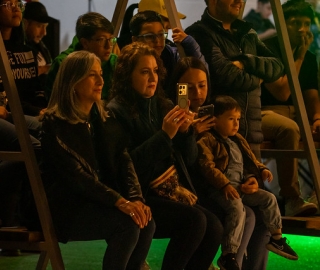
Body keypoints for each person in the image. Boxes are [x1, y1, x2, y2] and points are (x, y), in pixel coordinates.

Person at [107, 42, 222, 270]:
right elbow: (126, 166)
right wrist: (165, 135)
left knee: (214, 226)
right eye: (144, 71)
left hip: (168, 191)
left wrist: (186, 132)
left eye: (155, 71)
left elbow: (188, 160)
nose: (152, 77)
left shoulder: (162, 104)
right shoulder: (116, 110)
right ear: (127, 75)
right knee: (195, 221)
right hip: (139, 193)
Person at [40, 50, 155, 269]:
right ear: (73, 81)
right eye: (93, 75)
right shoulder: (55, 124)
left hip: (99, 200)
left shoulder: (103, 118)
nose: (101, 81)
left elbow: (124, 161)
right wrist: (120, 201)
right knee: (127, 225)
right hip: (68, 207)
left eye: (101, 74)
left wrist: (135, 198)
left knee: (145, 222)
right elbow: (76, 177)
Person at [169, 57, 272, 269]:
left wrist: (250, 178)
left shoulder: (215, 113)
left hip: (224, 185)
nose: (197, 93)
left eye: (202, 85)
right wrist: (188, 135)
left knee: (263, 212)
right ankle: (230, 262)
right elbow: (186, 164)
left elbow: (234, 154)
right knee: (248, 214)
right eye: (188, 87)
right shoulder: (171, 115)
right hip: (194, 188)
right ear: (178, 88)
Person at [196, 95, 299, 269]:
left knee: (269, 199)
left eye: (237, 119)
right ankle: (229, 254)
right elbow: (207, 166)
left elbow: (250, 160)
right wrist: (224, 184)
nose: (236, 124)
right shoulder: (207, 139)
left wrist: (260, 171)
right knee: (237, 209)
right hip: (220, 190)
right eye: (230, 119)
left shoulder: (237, 140)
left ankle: (277, 239)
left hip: (240, 187)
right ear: (215, 120)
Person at [185, 0, 284, 158]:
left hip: (252, 134)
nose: (240, 1)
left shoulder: (246, 31)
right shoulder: (200, 33)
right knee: (225, 182)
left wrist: (245, 62)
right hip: (219, 138)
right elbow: (225, 75)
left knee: (254, 181)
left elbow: (278, 66)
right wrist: (259, 78)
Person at [261, 0, 319, 216]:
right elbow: (283, 91)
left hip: (297, 113)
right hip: (267, 111)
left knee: (300, 123)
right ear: (282, 24)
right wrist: (300, 56)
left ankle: (316, 192)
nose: (303, 29)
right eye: (296, 23)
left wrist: (317, 118)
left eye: (306, 23)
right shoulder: (267, 49)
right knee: (289, 128)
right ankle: (291, 198)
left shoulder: (310, 57)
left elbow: (311, 94)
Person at [130, 10, 207, 100]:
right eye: (150, 36)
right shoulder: (128, 64)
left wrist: (190, 43)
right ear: (135, 40)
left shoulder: (171, 55)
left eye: (161, 34)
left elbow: (200, 73)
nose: (157, 41)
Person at [45, 12, 117, 101]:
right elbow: (56, 103)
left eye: (110, 39)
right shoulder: (64, 64)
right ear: (85, 43)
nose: (108, 46)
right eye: (101, 40)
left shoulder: (114, 62)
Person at [0, 0, 47, 116]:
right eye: (9, 4)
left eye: (18, 4)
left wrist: (44, 109)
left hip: (32, 114)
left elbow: (37, 91)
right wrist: (36, 111)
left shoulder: (28, 51)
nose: (16, 9)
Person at [117, 0, 186, 50]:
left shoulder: (168, 49)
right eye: (165, 19)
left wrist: (187, 42)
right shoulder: (119, 48)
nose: (170, 26)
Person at [23, 1, 52, 78]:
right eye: (39, 26)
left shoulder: (41, 47)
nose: (44, 32)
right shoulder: (18, 48)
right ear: (25, 24)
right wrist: (46, 68)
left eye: (45, 27)